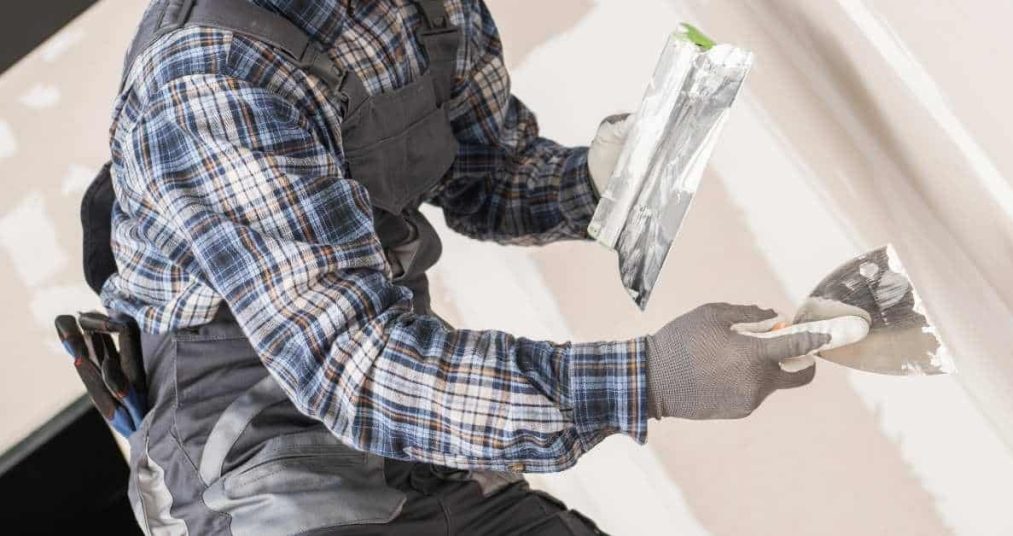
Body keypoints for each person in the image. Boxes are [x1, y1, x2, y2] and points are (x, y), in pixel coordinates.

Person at [94, 0, 866, 534]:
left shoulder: (420, 9)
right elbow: (358, 367)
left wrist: (596, 181)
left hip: (407, 434)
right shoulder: (210, 75)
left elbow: (485, 177)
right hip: (264, 475)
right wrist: (652, 379)